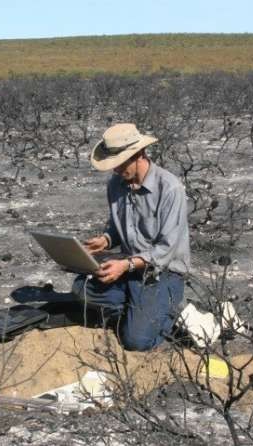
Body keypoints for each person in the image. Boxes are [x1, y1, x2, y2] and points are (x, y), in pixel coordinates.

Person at [72, 123, 190, 351]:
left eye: (120, 163)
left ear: (139, 154)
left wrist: (125, 265)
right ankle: (139, 305)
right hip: (128, 268)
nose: (116, 170)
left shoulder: (170, 188)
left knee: (136, 341)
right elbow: (119, 228)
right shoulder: (116, 185)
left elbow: (166, 250)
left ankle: (165, 309)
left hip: (161, 272)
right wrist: (106, 240)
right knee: (80, 288)